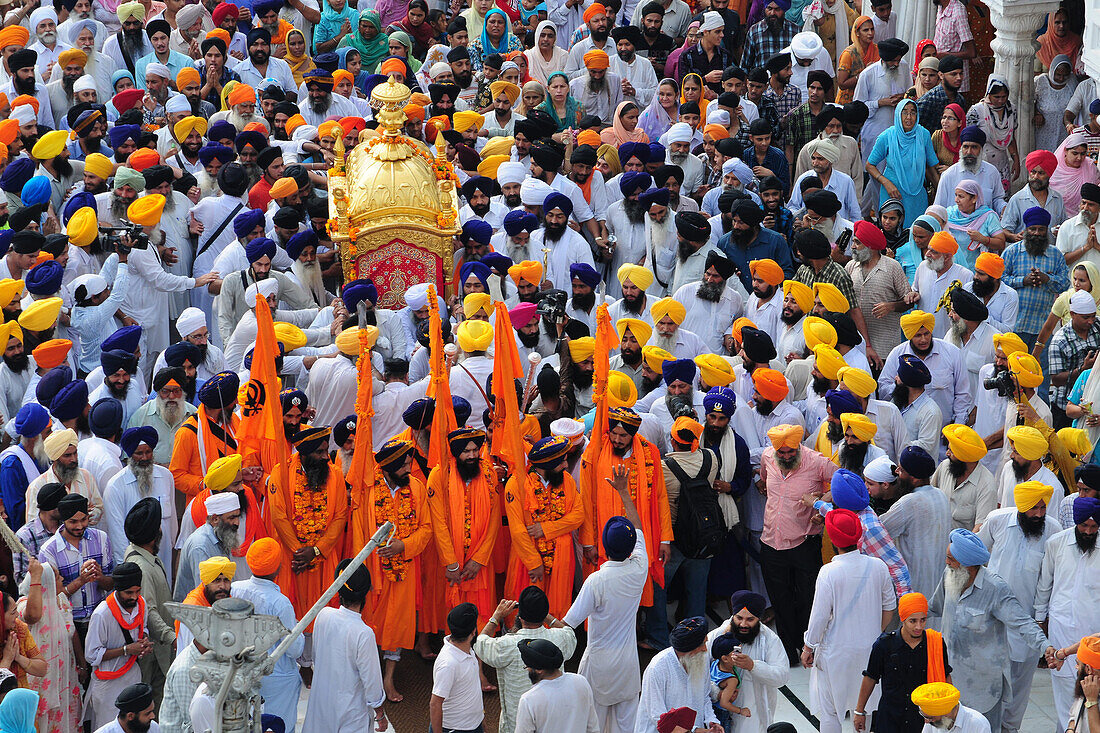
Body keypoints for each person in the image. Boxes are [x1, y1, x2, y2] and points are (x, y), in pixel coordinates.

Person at [932, 528, 1055, 731]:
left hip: (983, 687)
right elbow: (935, 605)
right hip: (950, 678)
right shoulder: (950, 575)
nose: (947, 563)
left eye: (951, 559)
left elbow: (1022, 622)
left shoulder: (995, 589)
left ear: (967, 565)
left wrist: (1046, 647)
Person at [563, 469, 649, 733]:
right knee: (627, 728)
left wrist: (536, 617)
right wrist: (624, 491)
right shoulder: (639, 568)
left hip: (598, 668)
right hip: (628, 668)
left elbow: (569, 623)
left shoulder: (596, 581)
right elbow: (637, 528)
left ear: (604, 547)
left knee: (593, 727)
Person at [975, 481, 1062, 733]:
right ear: (1021, 507)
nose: (1039, 514)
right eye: (1033, 508)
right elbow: (975, 551)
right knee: (990, 679)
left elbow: (1052, 577)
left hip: (1028, 621)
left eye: (1042, 507)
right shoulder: (998, 520)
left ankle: (1009, 729)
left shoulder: (1053, 529)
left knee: (1020, 684)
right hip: (992, 617)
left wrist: (1042, 618)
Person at [803, 509, 895, 733]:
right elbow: (890, 607)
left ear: (832, 539)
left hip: (835, 652)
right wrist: (873, 632)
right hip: (870, 652)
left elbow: (819, 617)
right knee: (862, 711)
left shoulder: (828, 572)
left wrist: (808, 646)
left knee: (831, 712)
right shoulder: (878, 566)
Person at [1035, 496, 1100, 729]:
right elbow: (1045, 585)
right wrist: (1040, 620)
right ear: (1076, 523)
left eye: (1094, 527)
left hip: (1094, 639)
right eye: (1084, 526)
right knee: (1064, 699)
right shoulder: (1056, 543)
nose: (1088, 531)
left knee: (1092, 698)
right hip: (1061, 632)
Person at [474, 588, 578, 733]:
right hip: (553, 722)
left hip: (517, 723)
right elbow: (569, 633)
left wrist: (496, 616)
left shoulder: (506, 645)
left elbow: (480, 643)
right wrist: (545, 615)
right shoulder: (560, 639)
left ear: (520, 616)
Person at [301, 561, 388, 733]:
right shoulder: (364, 633)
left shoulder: (323, 615)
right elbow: (372, 681)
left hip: (322, 703)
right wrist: (380, 713)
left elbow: (317, 657)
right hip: (350, 713)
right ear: (365, 594)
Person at [232, 539, 303, 732]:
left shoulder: (235, 589)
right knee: (279, 727)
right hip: (277, 678)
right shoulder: (280, 603)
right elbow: (295, 649)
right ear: (278, 568)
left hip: (244, 672)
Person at [854, 592, 951, 733]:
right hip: (890, 720)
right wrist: (859, 712)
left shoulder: (935, 644)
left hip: (923, 721)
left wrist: (950, 710)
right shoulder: (884, 644)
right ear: (903, 619)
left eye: (923, 620)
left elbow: (946, 675)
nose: (919, 626)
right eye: (913, 621)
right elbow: (870, 677)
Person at [84, 562, 149, 731]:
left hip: (133, 677)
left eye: (137, 591)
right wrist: (126, 650)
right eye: (129, 593)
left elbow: (143, 629)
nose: (134, 597)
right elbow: (91, 655)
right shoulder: (102, 614)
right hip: (107, 684)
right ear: (117, 590)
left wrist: (143, 643)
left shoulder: (141, 605)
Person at [881, 446, 951, 599]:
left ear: (915, 479)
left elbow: (877, 532)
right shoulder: (941, 495)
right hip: (938, 587)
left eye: (901, 470)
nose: (897, 472)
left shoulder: (909, 502)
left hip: (914, 589)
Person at [636, 617, 721, 733]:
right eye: (701, 645)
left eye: (705, 643)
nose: (705, 649)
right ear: (688, 649)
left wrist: (712, 721)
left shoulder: (701, 658)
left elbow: (705, 697)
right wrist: (696, 730)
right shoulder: (658, 667)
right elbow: (658, 717)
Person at [514, 637, 599, 733]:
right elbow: (593, 727)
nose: (528, 670)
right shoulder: (580, 681)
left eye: (527, 667)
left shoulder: (528, 700)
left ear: (539, 670)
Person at [430, 602, 483, 733]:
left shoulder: (468, 650)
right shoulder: (448, 664)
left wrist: (482, 725)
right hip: (455, 729)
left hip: (474, 725)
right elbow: (435, 704)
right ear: (473, 631)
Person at [965, 77, 1018, 192]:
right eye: (997, 97)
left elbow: (1011, 138)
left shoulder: (1011, 110)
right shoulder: (976, 111)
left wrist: (1016, 160)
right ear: (988, 94)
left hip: (1002, 163)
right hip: (981, 163)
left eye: (1004, 97)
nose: (1000, 101)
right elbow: (969, 141)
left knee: (1001, 197)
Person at [910, 683, 990, 733]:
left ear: (946, 713)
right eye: (924, 716)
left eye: (930, 718)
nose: (927, 721)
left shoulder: (978, 724)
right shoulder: (932, 722)